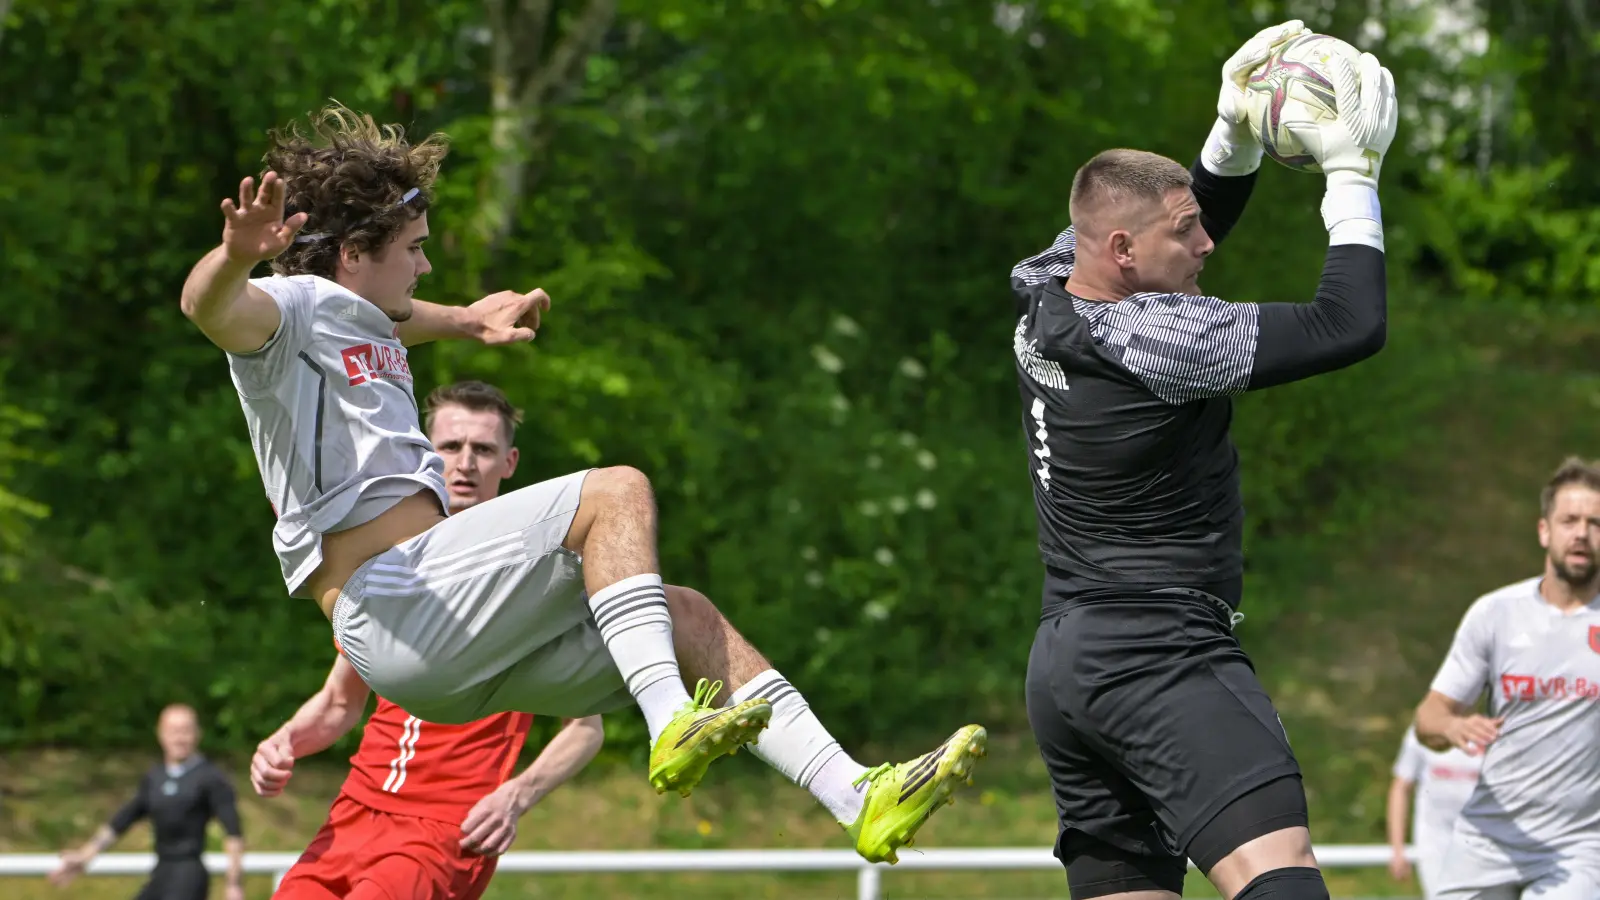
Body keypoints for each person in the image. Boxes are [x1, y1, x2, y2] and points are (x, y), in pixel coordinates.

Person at [176, 105, 983, 866]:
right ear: (354, 251)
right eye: (414, 246)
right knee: (616, 489)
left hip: (446, 649)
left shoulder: (361, 312)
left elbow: (401, 315)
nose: (425, 262)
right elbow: (207, 306)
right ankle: (673, 722)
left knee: (688, 617)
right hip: (389, 602)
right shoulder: (288, 310)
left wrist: (467, 320)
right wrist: (237, 256)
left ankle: (858, 799)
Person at [1011, 20, 1397, 900]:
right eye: (1188, 232)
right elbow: (1350, 324)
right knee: (1280, 877)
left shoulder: (1042, 292)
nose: (1208, 245)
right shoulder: (1155, 339)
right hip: (1159, 653)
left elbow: (1162, 235)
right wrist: (1351, 176)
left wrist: (1232, 133)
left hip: (1067, 668)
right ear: (1122, 253)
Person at [254, 381, 604, 900]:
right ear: (424, 451)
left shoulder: (537, 568)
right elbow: (339, 702)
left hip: (442, 827)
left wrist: (516, 796)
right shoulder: (393, 562)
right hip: (353, 813)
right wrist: (286, 741)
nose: (465, 463)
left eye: (482, 449)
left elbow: (586, 725)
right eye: (450, 446)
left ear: (509, 462)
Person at [1413, 457, 1600, 900]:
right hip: (1488, 837)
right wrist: (1453, 726)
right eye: (1569, 520)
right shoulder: (1495, 613)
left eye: (1595, 522)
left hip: (1578, 846)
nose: (1581, 533)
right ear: (1544, 531)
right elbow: (1427, 718)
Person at [51, 704, 245, 900]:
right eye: (173, 731)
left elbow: (233, 832)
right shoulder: (155, 778)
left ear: (197, 734)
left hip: (188, 875)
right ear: (161, 734)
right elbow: (123, 819)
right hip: (161, 872)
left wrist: (233, 884)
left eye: (185, 731)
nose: (179, 738)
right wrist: (85, 856)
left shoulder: (209, 777)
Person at [1387, 725, 1483, 899]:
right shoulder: (1422, 731)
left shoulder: (1489, 729)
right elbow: (1400, 788)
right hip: (1435, 840)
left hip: (1483, 840)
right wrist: (1397, 849)